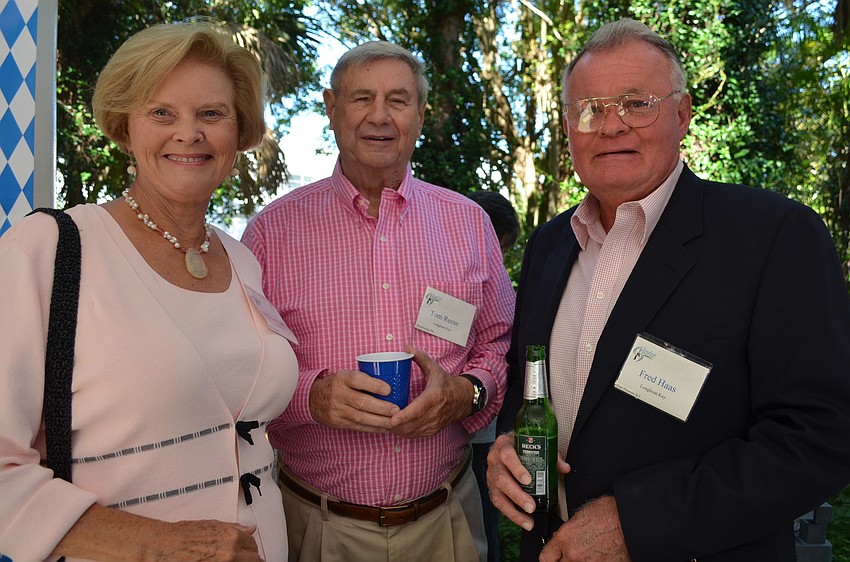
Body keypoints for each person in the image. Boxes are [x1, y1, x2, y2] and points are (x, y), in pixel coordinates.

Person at [487, 17, 850, 562]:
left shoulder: (774, 236)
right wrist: (508, 447)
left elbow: (820, 437)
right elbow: (530, 386)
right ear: (568, 128)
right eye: (589, 109)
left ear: (681, 115)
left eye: (637, 103)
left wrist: (639, 522)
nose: (611, 126)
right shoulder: (549, 245)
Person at [0, 21, 298, 561]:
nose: (189, 133)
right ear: (124, 127)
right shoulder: (49, 249)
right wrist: (161, 545)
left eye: (212, 114)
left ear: (240, 132)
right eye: (162, 113)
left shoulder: (242, 260)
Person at [242, 41, 515, 562]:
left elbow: (497, 341)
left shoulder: (467, 224)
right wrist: (310, 398)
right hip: (318, 528)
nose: (379, 116)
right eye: (361, 98)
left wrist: (469, 393)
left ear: (419, 113)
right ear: (330, 107)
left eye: (398, 99)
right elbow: (245, 370)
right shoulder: (270, 235)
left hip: (446, 522)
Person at [466, 189, 520, 562]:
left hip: (486, 431)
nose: (497, 260)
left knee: (485, 525)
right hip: (450, 434)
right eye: (497, 247)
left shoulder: (501, 288)